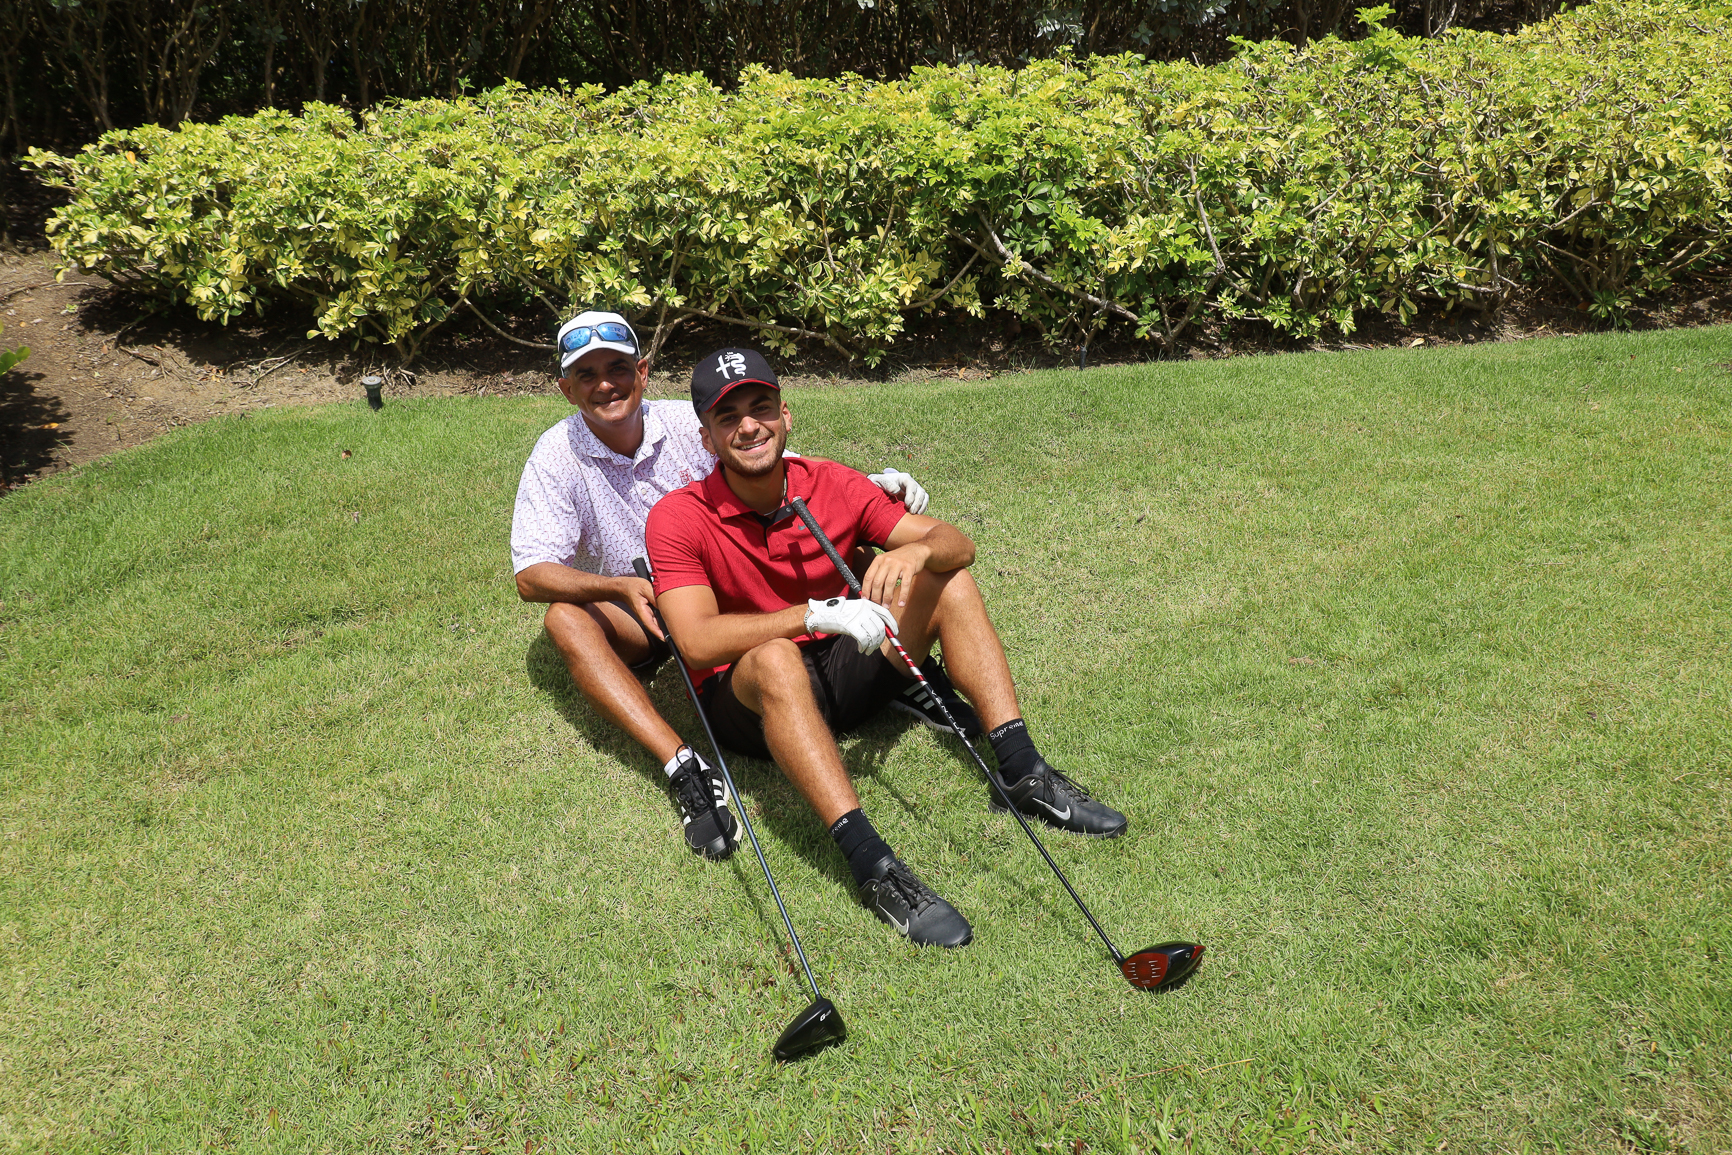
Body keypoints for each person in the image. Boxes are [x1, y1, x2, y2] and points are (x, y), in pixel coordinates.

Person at [644, 348, 1128, 949]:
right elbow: (694, 643)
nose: (749, 426)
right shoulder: (678, 517)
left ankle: (1023, 772)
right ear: (707, 437)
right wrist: (810, 615)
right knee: (774, 657)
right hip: (755, 702)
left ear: (785, 414)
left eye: (761, 407)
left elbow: (956, 544)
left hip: (846, 667)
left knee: (949, 580)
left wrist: (917, 552)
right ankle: (873, 866)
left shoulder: (832, 482)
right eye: (728, 417)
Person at [510, 311, 957, 865]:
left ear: (642, 372)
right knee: (564, 619)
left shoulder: (688, 422)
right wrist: (617, 587)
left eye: (618, 368)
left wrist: (869, 488)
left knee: (851, 548)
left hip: (719, 586)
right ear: (566, 388)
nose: (606, 384)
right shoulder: (555, 455)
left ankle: (895, 667)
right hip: (640, 604)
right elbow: (531, 573)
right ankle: (684, 766)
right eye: (587, 374)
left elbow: (768, 464)